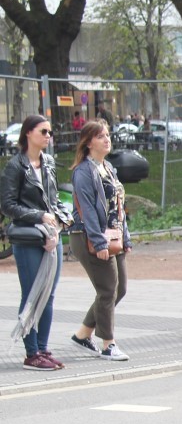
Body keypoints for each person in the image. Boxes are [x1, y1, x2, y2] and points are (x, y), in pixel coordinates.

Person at [2, 115, 66, 370]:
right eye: (43, 131)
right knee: (31, 294)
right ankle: (31, 353)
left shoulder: (48, 162)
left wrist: (63, 218)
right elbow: (7, 205)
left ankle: (43, 348)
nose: (48, 136)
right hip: (29, 237)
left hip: (52, 235)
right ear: (28, 133)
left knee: (48, 295)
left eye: (50, 132)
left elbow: (54, 199)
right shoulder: (15, 166)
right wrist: (39, 216)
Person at [68, 121, 132, 361]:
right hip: (88, 237)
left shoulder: (109, 167)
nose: (107, 139)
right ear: (88, 143)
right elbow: (87, 209)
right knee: (107, 290)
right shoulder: (83, 171)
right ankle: (108, 344)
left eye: (107, 135)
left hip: (113, 236)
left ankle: (83, 334)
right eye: (101, 136)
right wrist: (99, 242)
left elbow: (118, 206)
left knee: (120, 289)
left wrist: (125, 236)